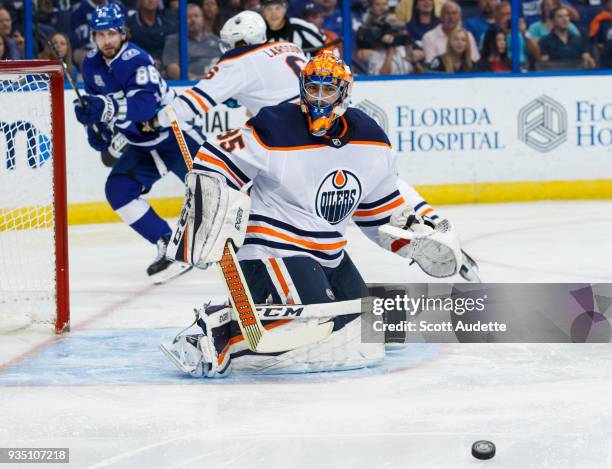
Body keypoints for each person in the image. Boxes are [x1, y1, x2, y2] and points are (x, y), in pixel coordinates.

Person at [160, 52, 465, 378]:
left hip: (330, 252)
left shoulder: (370, 137)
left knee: (371, 331)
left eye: (327, 90)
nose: (319, 98)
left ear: (344, 92)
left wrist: (411, 238)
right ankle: (218, 327)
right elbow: (214, 158)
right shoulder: (277, 124)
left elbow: (378, 210)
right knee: (321, 326)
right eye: (313, 88)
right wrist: (211, 204)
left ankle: (249, 323)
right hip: (272, 247)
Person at [73, 4, 203, 282]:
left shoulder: (137, 59)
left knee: (211, 192)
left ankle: (248, 245)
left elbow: (143, 108)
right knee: (118, 190)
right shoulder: (91, 64)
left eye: (111, 33)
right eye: (100, 34)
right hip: (142, 146)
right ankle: (168, 243)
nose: (106, 40)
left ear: (122, 32)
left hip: (176, 137)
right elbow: (100, 110)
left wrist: (105, 108)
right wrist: (96, 130)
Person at [158, 10, 308, 120]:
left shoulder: (239, 60)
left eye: (232, 42)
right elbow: (271, 86)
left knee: (219, 150)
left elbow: (194, 102)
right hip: (320, 118)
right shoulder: (291, 47)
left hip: (287, 125)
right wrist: (239, 97)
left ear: (242, 40)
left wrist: (160, 119)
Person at [162, 3, 222, 80]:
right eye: (188, 17)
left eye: (196, 16)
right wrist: (194, 79)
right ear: (181, 20)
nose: (192, 20)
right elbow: (171, 68)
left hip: (218, 83)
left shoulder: (216, 39)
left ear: (203, 19)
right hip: (191, 85)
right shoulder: (174, 41)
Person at [261, 0, 327, 55]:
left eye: (278, 8)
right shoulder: (259, 32)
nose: (274, 13)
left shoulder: (300, 26)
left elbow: (327, 47)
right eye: (269, 9)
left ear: (284, 9)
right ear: (263, 12)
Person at [126, 0, 175, 69]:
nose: (150, 0)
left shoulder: (168, 23)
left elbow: (171, 50)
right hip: (136, 68)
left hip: (163, 68)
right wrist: (146, 61)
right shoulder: (129, 24)